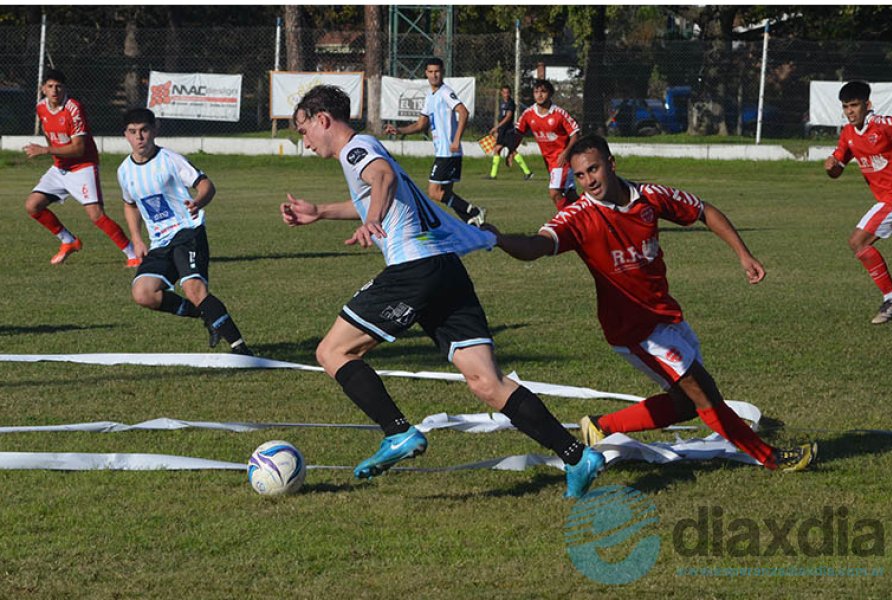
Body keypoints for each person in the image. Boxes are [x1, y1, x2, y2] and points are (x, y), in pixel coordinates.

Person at [282, 85, 604, 498]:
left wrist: (372, 220)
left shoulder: (354, 149)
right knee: (487, 381)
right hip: (445, 268)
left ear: (323, 119)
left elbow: (380, 180)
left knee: (332, 352)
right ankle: (577, 456)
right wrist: (321, 211)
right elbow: (378, 189)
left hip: (413, 268)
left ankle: (397, 432)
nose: (304, 140)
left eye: (303, 128)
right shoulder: (363, 148)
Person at [484, 134, 816, 472]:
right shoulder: (579, 216)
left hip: (666, 315)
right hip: (633, 329)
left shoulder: (650, 196)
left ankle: (601, 426)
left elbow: (704, 210)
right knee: (703, 390)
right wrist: (499, 240)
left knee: (686, 404)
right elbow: (536, 246)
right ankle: (769, 457)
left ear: (611, 165)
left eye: (594, 169)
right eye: (580, 176)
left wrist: (744, 255)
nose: (588, 181)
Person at [117, 108, 252, 356]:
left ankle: (241, 349)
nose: (139, 137)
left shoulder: (170, 159)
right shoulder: (124, 170)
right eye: (133, 132)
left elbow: (206, 185)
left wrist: (198, 202)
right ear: (125, 135)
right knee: (143, 293)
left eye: (144, 130)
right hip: (159, 242)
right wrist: (136, 239)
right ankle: (207, 314)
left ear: (154, 130)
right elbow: (129, 204)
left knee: (194, 290)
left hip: (187, 232)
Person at [23, 68, 139, 267]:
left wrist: (45, 150)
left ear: (64, 88)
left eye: (59, 86)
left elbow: (78, 149)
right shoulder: (41, 107)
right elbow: (48, 132)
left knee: (96, 215)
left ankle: (133, 254)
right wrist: (52, 152)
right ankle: (69, 241)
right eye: (50, 86)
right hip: (60, 167)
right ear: (43, 89)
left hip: (82, 166)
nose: (54, 90)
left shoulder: (73, 109)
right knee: (33, 205)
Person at [824, 80, 892, 324]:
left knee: (858, 241)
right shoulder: (847, 134)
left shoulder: (885, 125)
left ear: (867, 105)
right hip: (888, 199)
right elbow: (837, 172)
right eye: (845, 107)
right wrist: (831, 167)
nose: (850, 112)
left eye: (854, 105)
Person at [383, 57, 487, 226]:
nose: (434, 75)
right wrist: (399, 130)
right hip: (446, 152)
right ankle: (472, 222)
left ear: (442, 72)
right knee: (446, 193)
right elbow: (421, 124)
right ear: (426, 73)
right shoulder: (430, 96)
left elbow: (464, 112)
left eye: (437, 72)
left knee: (434, 192)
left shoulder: (445, 92)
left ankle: (474, 211)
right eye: (430, 72)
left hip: (448, 152)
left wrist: (456, 140)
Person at [515, 79, 580, 210]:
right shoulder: (528, 114)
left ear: (550, 94)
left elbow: (575, 133)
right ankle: (592, 214)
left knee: (554, 192)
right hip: (549, 161)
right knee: (570, 195)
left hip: (562, 160)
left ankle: (567, 222)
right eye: (536, 92)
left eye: (543, 91)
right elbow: (518, 132)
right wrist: (512, 149)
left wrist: (566, 152)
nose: (539, 95)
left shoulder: (559, 113)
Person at [486, 85, 533, 181]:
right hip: (502, 131)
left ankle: (528, 172)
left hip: (508, 131)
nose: (506, 94)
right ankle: (493, 175)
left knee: (512, 151)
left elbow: (508, 117)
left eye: (507, 92)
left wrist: (496, 127)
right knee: (497, 149)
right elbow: (501, 117)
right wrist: (498, 130)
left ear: (510, 93)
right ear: (501, 93)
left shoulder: (511, 103)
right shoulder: (502, 103)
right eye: (504, 92)